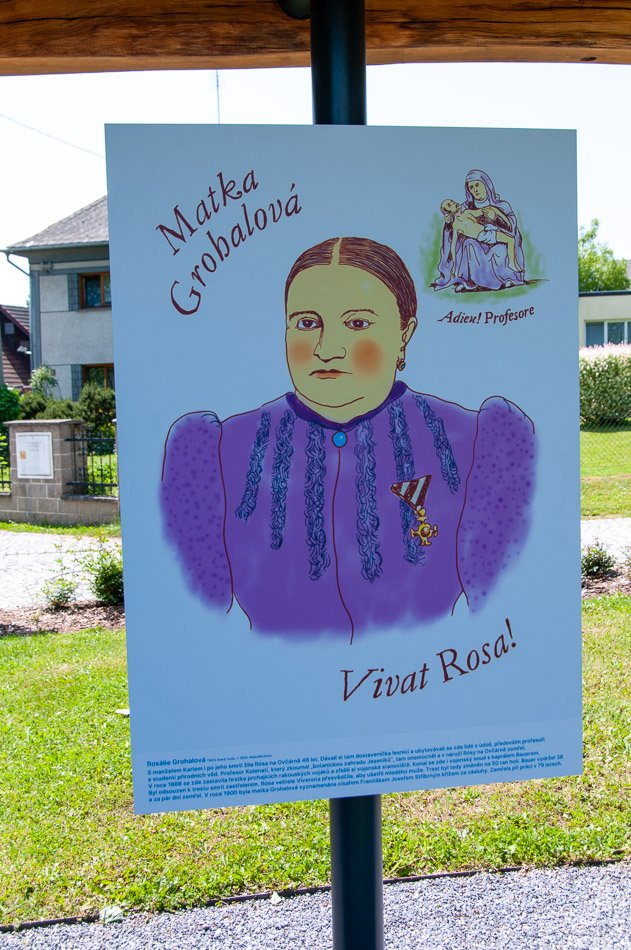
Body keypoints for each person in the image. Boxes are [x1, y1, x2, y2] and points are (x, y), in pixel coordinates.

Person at [161, 237, 536, 642]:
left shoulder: (479, 442)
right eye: (307, 323)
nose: (327, 349)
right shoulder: (212, 450)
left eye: (357, 324)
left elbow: (497, 606)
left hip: (421, 674)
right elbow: (201, 619)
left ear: (404, 334)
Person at [433, 170, 526, 292]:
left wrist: (496, 217)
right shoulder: (465, 207)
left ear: (486, 185)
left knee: (502, 248)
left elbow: (512, 227)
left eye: (477, 185)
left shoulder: (502, 205)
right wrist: (448, 224)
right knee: (468, 244)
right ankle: (470, 281)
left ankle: (508, 277)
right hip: (479, 244)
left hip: (496, 241)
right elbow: (453, 240)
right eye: (471, 187)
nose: (475, 190)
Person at [439, 198, 522, 276]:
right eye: (449, 205)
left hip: (487, 228)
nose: (453, 203)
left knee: (510, 236)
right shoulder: (456, 225)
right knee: (510, 240)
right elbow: (453, 245)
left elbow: (484, 210)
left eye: (452, 201)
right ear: (449, 212)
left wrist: (504, 218)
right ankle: (512, 263)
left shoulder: (467, 212)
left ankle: (513, 262)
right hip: (484, 235)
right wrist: (454, 265)